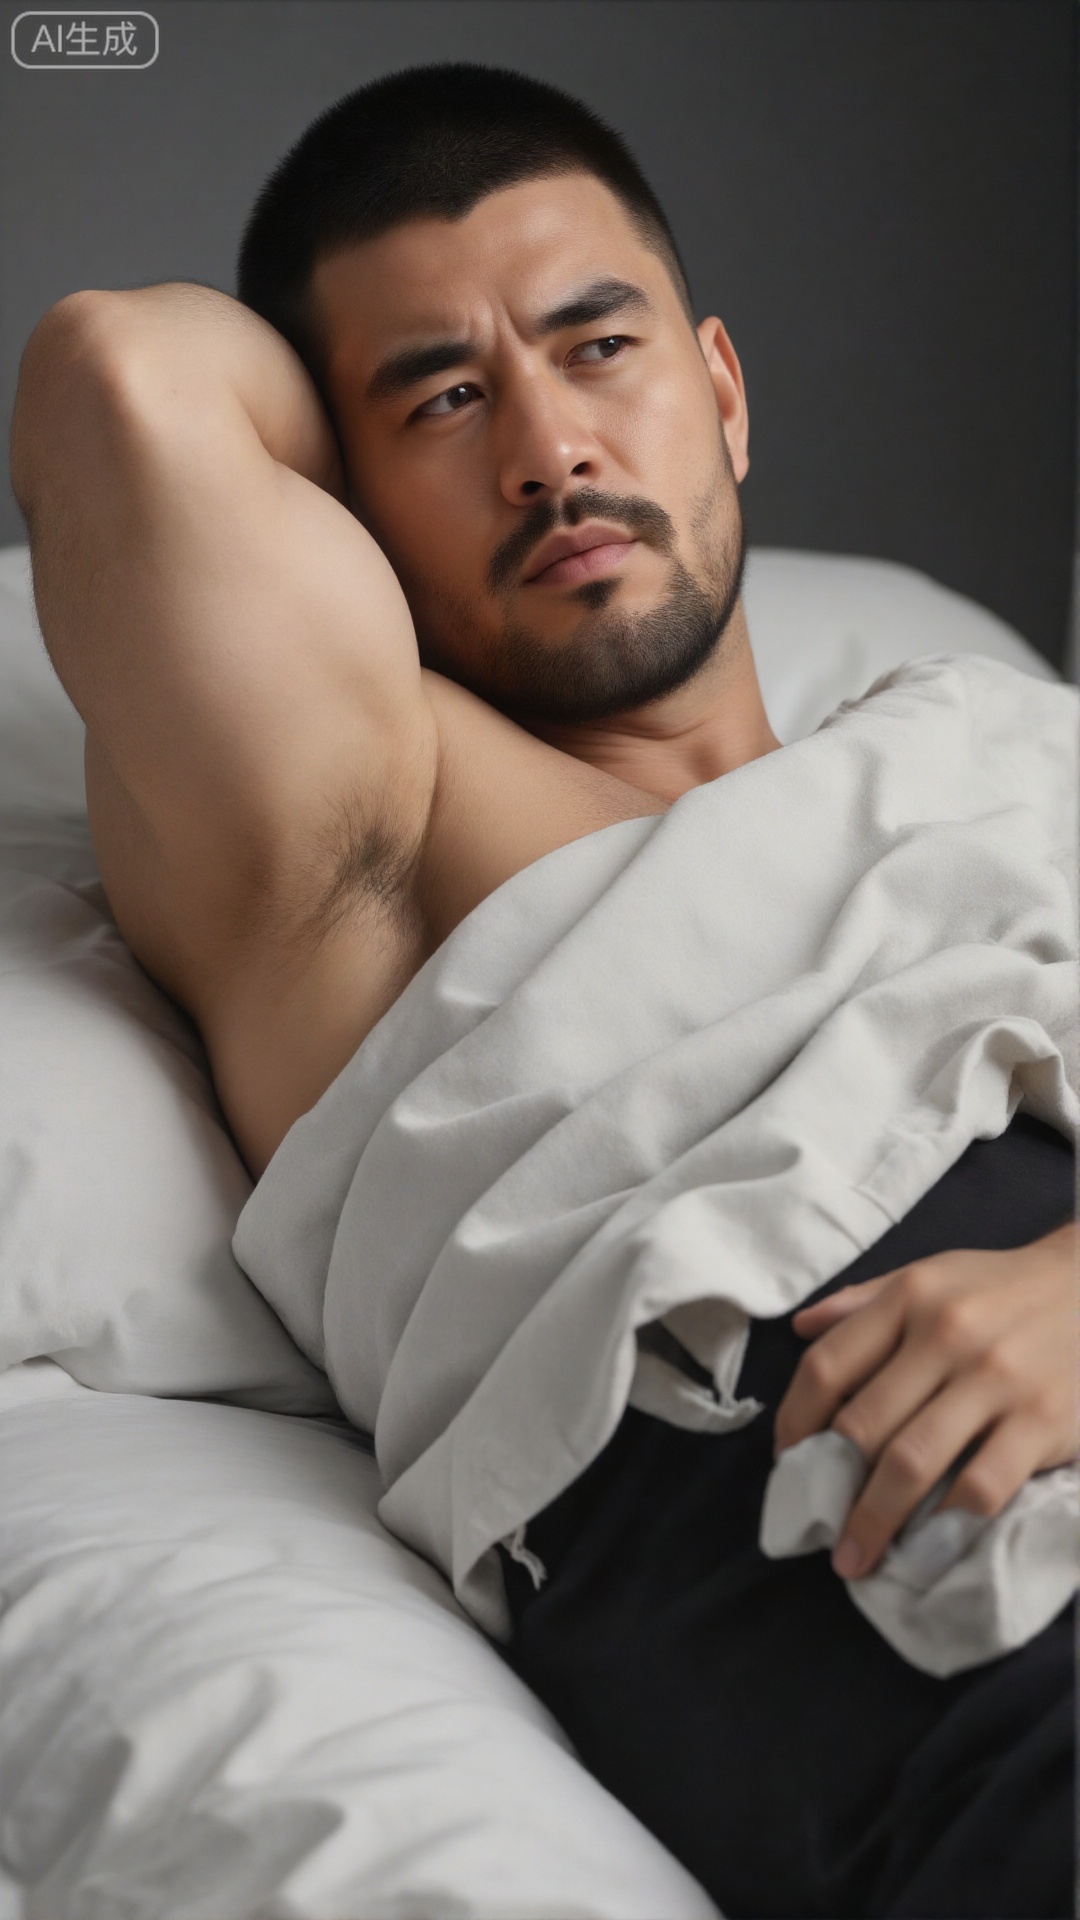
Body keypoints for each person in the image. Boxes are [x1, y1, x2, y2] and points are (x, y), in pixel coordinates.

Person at [11, 64, 1075, 1917]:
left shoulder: (1004, 746)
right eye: (443, 397)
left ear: (723, 394)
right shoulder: (366, 851)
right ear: (331, 494)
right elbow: (122, 379)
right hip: (941, 1628)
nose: (550, 452)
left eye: (601, 349)